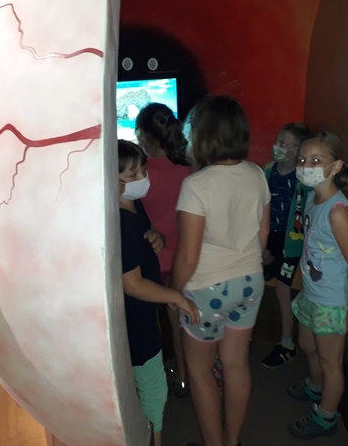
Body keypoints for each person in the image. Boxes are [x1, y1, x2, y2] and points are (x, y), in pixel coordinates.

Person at [171, 96, 271, 446]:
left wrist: (173, 292)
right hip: (251, 282)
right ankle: (231, 441)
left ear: (202, 134)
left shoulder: (196, 185)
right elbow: (262, 236)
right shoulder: (256, 174)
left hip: (206, 288)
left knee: (200, 371)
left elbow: (188, 255)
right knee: (236, 365)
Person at [117, 139, 200, 446]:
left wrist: (158, 239)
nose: (142, 178)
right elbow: (132, 284)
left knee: (145, 386)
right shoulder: (122, 223)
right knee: (154, 391)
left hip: (143, 314)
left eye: (143, 170)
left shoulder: (134, 205)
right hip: (135, 320)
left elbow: (150, 241)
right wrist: (176, 297)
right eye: (132, 175)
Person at [286, 131, 348, 440]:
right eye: (302, 159)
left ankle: (326, 416)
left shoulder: (338, 212)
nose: (306, 166)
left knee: (331, 362)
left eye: (316, 160)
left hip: (331, 301)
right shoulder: (312, 197)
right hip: (312, 293)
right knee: (308, 345)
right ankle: (315, 386)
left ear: (336, 167)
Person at [135, 103, 192, 397]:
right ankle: (184, 374)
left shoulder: (139, 173)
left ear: (143, 135)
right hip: (184, 256)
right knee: (179, 318)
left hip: (151, 258)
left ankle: (156, 378)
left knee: (152, 322)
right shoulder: (188, 168)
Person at [260, 122, 312, 369]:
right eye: (277, 141)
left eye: (283, 144)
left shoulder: (303, 180)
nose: (277, 146)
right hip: (266, 236)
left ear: (297, 151)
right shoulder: (268, 171)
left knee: (282, 290)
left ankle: (287, 343)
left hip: (290, 242)